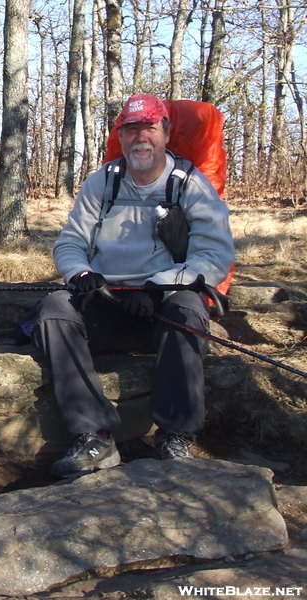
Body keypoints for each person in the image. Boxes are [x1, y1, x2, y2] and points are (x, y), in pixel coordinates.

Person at [33, 94, 235, 479]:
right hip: (107, 301)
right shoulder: (101, 183)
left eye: (150, 128)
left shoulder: (191, 184)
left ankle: (174, 434)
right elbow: (71, 242)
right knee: (54, 309)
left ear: (166, 132)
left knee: (189, 308)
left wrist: (159, 287)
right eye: (131, 130)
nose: (141, 138)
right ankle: (94, 434)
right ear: (121, 137)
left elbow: (214, 255)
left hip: (163, 305)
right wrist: (80, 275)